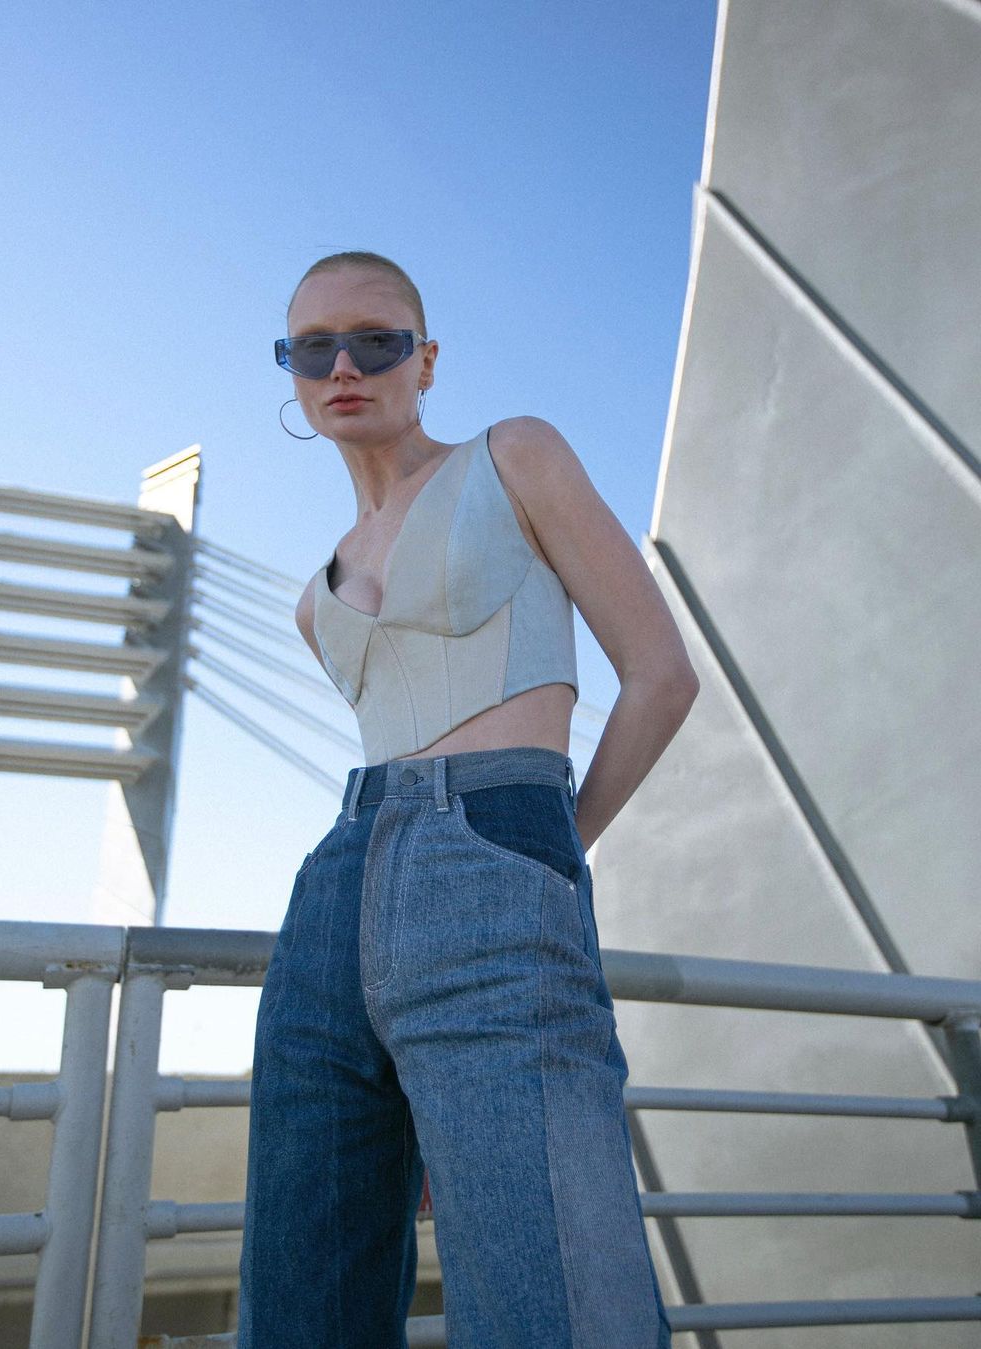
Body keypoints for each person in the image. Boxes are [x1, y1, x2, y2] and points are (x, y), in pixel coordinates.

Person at [237, 249, 698, 1348]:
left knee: (555, 1294)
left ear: (427, 359)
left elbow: (661, 675)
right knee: (301, 1288)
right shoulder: (312, 604)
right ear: (291, 370)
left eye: (376, 341)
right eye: (313, 348)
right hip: (334, 892)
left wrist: (546, 854)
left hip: (495, 848)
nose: (344, 367)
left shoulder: (515, 455)